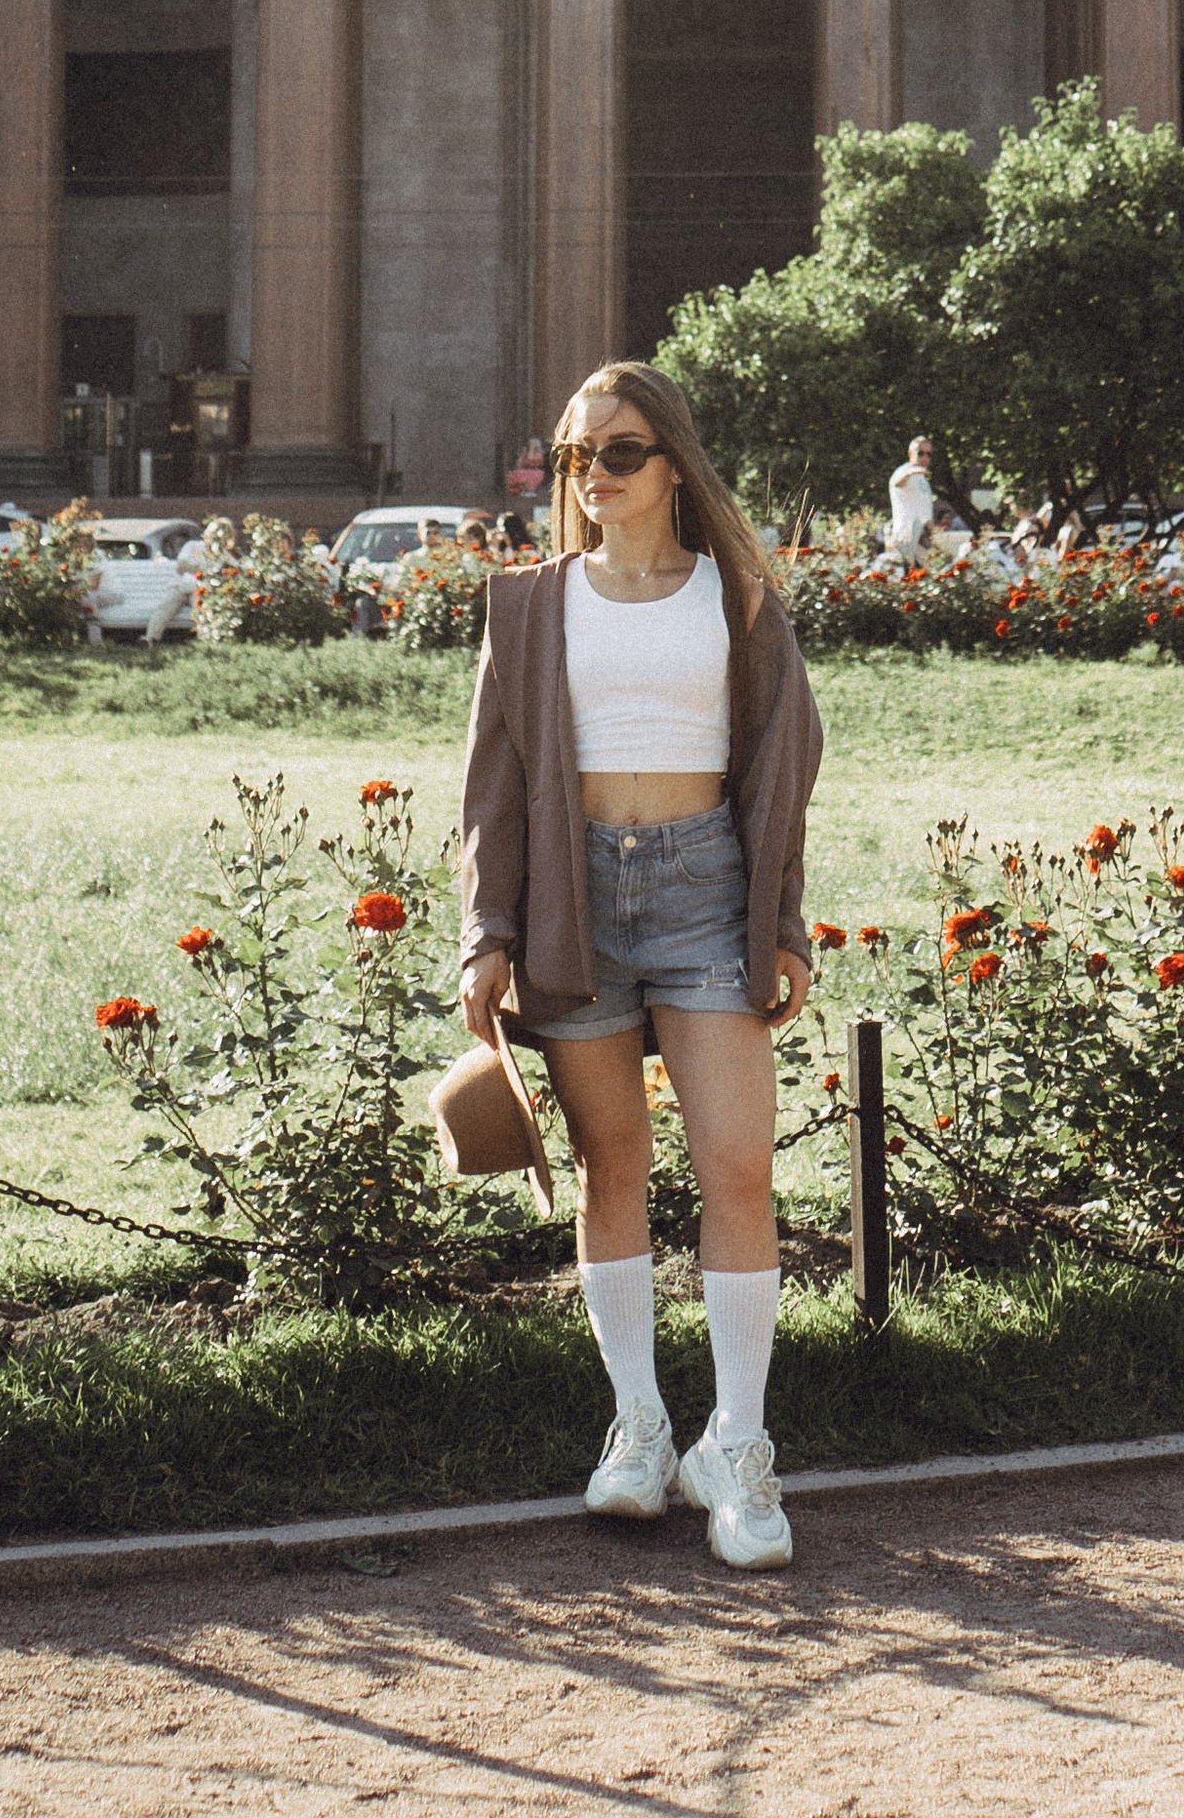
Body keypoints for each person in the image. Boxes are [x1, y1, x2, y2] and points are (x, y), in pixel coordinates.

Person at [459, 360, 822, 1570]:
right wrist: (486, 934)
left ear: (673, 464)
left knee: (738, 1167)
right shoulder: (529, 604)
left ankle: (738, 1446)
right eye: (575, 455)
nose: (593, 475)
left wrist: (784, 921)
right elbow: (493, 782)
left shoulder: (737, 597)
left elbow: (782, 767)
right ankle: (639, 1424)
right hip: (571, 900)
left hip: (704, 890)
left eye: (620, 452)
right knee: (609, 1164)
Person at [886, 433, 937, 560]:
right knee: (910, 569)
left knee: (932, 568)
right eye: (920, 453)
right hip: (906, 535)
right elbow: (897, 484)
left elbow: (924, 507)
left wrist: (932, 529)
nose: (925, 457)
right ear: (910, 454)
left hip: (922, 536)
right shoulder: (903, 471)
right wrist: (911, 472)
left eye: (928, 454)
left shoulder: (922, 478)